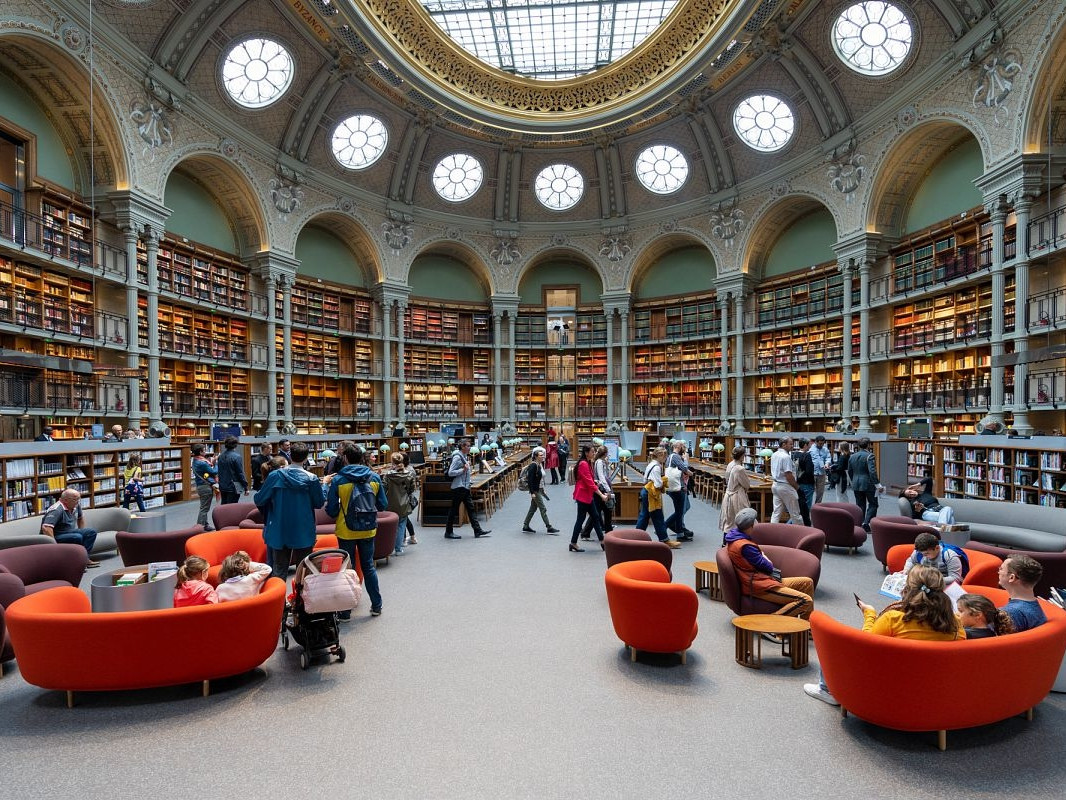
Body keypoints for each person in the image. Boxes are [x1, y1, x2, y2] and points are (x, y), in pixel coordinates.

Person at [804, 566, 964, 706]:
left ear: (907, 589)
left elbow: (866, 645)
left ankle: (826, 690)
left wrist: (869, 614)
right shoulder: (956, 623)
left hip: (889, 688)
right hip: (933, 691)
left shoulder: (893, 619)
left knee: (835, 644)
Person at [325, 445, 387, 618]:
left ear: (345, 458)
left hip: (346, 530)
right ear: (361, 458)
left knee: (347, 569)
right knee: (368, 567)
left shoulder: (339, 480)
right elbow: (382, 504)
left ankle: (345, 612)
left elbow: (331, 509)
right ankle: (376, 606)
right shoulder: (374, 477)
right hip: (368, 529)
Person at [724, 508, 813, 619]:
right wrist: (764, 557)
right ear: (751, 526)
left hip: (763, 580)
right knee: (805, 600)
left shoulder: (735, 537)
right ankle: (770, 626)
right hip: (759, 586)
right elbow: (768, 566)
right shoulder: (745, 546)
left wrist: (761, 555)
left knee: (807, 582)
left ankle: (803, 629)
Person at [255, 442, 325, 580]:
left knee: (279, 571)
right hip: (303, 530)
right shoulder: (312, 479)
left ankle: (279, 601)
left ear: (290, 456)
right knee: (304, 572)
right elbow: (319, 503)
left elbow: (259, 499)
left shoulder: (275, 476)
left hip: (279, 530)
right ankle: (300, 601)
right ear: (306, 458)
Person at [443, 438, 491, 539]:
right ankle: (448, 532)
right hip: (458, 487)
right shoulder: (457, 457)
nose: (469, 448)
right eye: (468, 446)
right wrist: (463, 469)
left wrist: (468, 480)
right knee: (454, 510)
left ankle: (477, 530)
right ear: (462, 447)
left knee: (471, 508)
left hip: (464, 487)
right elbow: (450, 472)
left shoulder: (464, 456)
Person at [39, 488, 98, 566]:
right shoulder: (57, 509)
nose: (77, 502)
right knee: (76, 537)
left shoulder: (75, 505)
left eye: (78, 499)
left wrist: (82, 532)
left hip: (69, 531)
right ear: (65, 500)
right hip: (56, 535)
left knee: (91, 532)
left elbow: (80, 518)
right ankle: (75, 563)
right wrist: (54, 546)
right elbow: (46, 528)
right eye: (75, 499)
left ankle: (83, 559)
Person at [635, 447, 679, 548]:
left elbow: (644, 480)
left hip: (646, 491)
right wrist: (664, 481)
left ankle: (636, 537)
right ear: (660, 456)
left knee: (645, 515)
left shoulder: (651, 464)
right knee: (658, 516)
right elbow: (658, 484)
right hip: (651, 493)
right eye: (665, 456)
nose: (666, 458)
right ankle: (664, 539)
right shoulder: (656, 467)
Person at [569, 444, 607, 552]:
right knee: (580, 520)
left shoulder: (588, 463)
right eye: (592, 452)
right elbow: (588, 482)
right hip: (583, 496)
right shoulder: (583, 464)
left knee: (595, 516)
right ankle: (573, 543)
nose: (594, 453)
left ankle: (602, 541)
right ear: (586, 453)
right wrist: (601, 494)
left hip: (587, 495)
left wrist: (595, 483)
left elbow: (589, 479)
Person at [997, 554, 1047, 632]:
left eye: (1001, 569)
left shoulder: (1011, 612)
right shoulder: (1035, 607)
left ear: (1012, 577)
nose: (998, 572)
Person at [383, 452, 416, 556]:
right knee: (401, 526)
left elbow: (383, 489)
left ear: (392, 462)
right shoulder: (409, 475)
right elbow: (412, 489)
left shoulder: (388, 475)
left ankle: (388, 548)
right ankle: (398, 549)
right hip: (404, 503)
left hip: (390, 503)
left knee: (391, 526)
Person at [522, 447, 559, 534]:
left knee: (533, 508)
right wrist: (532, 493)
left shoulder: (539, 465)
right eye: (541, 455)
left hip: (538, 489)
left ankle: (525, 525)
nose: (543, 457)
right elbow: (530, 480)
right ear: (535, 456)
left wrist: (543, 489)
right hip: (535, 491)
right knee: (543, 508)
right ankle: (549, 527)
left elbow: (539, 480)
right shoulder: (533, 466)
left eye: (543, 455)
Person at [581, 445, 616, 538]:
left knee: (599, 512)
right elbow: (602, 476)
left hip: (601, 488)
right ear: (605, 454)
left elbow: (607, 474)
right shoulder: (599, 462)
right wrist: (608, 490)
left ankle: (588, 532)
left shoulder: (601, 462)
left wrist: (608, 464)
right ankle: (608, 532)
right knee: (604, 511)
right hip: (602, 489)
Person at [848, 437, 882, 531]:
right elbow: (872, 472)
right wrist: (877, 484)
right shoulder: (870, 456)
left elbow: (850, 471)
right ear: (869, 445)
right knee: (873, 504)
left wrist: (853, 480)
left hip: (856, 483)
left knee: (860, 505)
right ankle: (866, 523)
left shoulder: (852, 456)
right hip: (868, 483)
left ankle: (859, 523)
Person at [664, 440, 694, 540]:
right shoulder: (675, 456)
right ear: (679, 446)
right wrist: (686, 460)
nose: (684, 449)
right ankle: (666, 527)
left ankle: (679, 530)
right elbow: (684, 469)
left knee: (682, 509)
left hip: (675, 487)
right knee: (680, 511)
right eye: (683, 447)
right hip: (678, 487)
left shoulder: (671, 457)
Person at [769, 436, 802, 524]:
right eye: (790, 444)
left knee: (776, 512)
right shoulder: (785, 457)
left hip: (775, 485)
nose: (792, 446)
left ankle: (771, 532)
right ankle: (801, 533)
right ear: (784, 444)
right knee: (795, 513)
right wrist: (796, 487)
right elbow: (788, 475)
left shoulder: (774, 454)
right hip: (786, 486)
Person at [718, 445, 751, 532]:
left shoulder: (730, 464)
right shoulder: (740, 469)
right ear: (742, 456)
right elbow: (746, 484)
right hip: (737, 496)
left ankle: (726, 542)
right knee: (742, 519)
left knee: (729, 520)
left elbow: (726, 479)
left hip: (728, 494)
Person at [190, 443, 220, 530]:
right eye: (204, 450)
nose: (205, 451)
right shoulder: (202, 463)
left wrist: (212, 462)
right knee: (204, 509)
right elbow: (213, 472)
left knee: (204, 506)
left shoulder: (195, 460)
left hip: (201, 486)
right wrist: (216, 463)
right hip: (205, 487)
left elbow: (207, 470)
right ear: (200, 452)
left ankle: (205, 524)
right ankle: (200, 527)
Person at [216, 435, 249, 505]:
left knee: (224, 505)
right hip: (233, 486)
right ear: (235, 445)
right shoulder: (237, 457)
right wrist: (245, 487)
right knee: (232, 507)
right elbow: (240, 473)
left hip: (222, 485)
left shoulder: (220, 457)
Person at [400, 450, 419, 546]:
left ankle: (403, 539)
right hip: (409, 496)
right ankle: (412, 537)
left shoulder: (404, 471)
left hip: (404, 497)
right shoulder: (411, 469)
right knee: (405, 517)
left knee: (403, 518)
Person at [794, 437, 815, 526]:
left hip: (797, 483)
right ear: (806, 445)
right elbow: (809, 471)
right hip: (807, 483)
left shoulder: (795, 454)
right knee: (807, 506)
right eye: (809, 444)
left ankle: (800, 523)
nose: (810, 446)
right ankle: (805, 525)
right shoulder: (807, 455)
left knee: (800, 505)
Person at [810, 435, 832, 503]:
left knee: (820, 492)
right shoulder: (810, 449)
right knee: (810, 491)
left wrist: (827, 463)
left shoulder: (825, 449)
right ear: (816, 442)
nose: (821, 445)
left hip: (821, 473)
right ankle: (808, 507)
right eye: (820, 443)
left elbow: (828, 458)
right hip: (812, 473)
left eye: (822, 443)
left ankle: (817, 506)